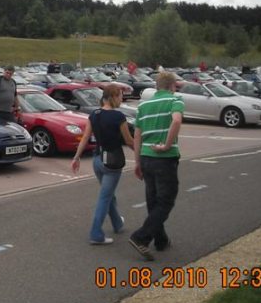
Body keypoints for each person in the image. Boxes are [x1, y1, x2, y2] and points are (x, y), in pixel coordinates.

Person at [129, 72, 184, 261]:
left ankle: (161, 240)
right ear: (172, 86)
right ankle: (141, 237)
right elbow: (176, 120)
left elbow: (137, 135)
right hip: (164, 157)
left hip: (145, 156)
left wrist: (137, 162)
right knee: (166, 200)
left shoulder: (143, 105)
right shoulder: (175, 100)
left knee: (153, 201)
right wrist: (167, 145)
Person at [72, 85, 134, 244]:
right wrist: (140, 155)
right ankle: (96, 234)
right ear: (113, 96)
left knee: (108, 194)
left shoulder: (95, 114)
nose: (122, 99)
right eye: (120, 96)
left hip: (97, 161)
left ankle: (117, 223)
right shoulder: (119, 117)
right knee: (105, 197)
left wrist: (77, 157)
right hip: (112, 162)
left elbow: (85, 138)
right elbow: (128, 141)